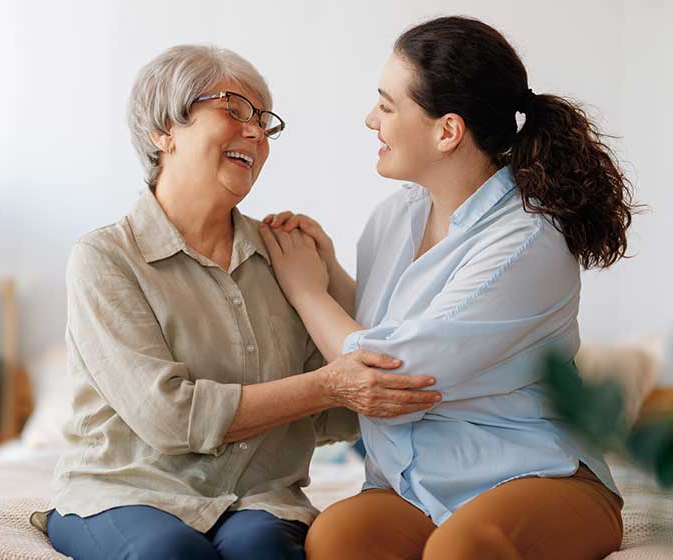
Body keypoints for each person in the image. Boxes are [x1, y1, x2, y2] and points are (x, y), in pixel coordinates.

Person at [29, 44, 441, 560]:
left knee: (263, 549)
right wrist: (327, 384)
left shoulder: (286, 256)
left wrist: (330, 277)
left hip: (259, 501)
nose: (256, 132)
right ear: (163, 131)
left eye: (264, 122)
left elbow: (345, 410)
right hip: (126, 493)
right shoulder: (106, 258)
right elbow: (169, 417)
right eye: (233, 109)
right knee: (168, 554)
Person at [260, 16, 636, 560]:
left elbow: (393, 376)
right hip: (419, 483)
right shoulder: (396, 215)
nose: (371, 120)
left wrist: (307, 294)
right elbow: (383, 327)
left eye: (387, 106)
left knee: (462, 549)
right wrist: (326, 272)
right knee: (336, 539)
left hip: (540, 475)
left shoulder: (527, 241)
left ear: (447, 131)